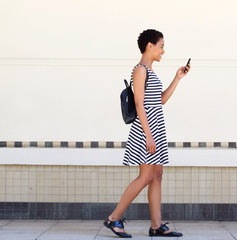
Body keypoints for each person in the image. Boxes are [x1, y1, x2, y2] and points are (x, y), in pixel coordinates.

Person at [103, 29, 190, 238]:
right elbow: (140, 105)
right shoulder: (140, 70)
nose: (163, 50)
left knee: (157, 175)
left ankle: (156, 226)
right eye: (161, 46)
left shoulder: (150, 71)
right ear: (149, 46)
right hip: (146, 129)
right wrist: (149, 135)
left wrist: (177, 78)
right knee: (146, 176)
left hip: (155, 128)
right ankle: (113, 218)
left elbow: (159, 100)